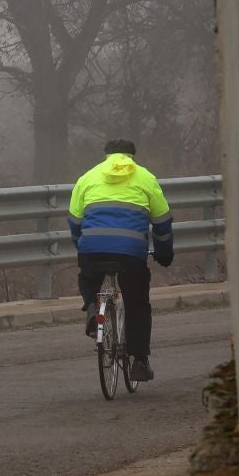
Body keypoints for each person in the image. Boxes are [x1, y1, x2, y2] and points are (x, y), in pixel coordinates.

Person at [68, 138, 172, 381]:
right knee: (137, 302)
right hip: (131, 251)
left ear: (106, 155)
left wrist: (81, 246)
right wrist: (164, 252)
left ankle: (93, 308)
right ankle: (139, 361)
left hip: (92, 248)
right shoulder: (146, 178)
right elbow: (162, 222)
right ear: (132, 156)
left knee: (88, 276)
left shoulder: (87, 177)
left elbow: (74, 222)